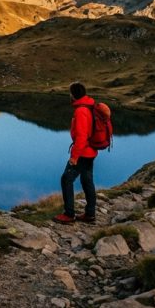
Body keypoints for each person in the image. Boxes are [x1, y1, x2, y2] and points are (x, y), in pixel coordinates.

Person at [53, 82, 97, 224]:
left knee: (66, 179)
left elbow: (82, 136)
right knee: (87, 180)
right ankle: (90, 214)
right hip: (90, 151)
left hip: (82, 152)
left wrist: (74, 157)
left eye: (70, 93)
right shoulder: (89, 106)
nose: (69, 95)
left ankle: (69, 214)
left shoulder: (81, 110)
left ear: (73, 94)